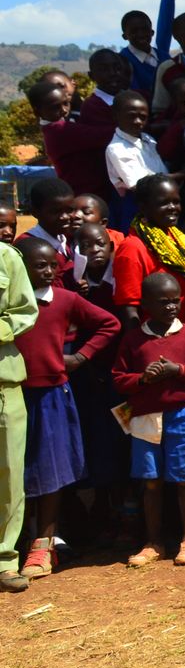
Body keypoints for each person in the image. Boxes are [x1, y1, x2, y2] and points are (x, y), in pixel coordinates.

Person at [13, 238, 119, 579]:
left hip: (51, 396)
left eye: (51, 266)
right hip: (15, 395)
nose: (46, 272)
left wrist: (80, 357)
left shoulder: (64, 300)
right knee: (17, 471)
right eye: (37, 265)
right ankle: (17, 544)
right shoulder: (11, 305)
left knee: (50, 471)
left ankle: (43, 545)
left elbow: (109, 324)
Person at [112, 272, 185, 567]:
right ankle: (153, 541)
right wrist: (142, 380)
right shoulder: (134, 339)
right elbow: (119, 379)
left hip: (182, 416)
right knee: (151, 482)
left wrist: (178, 370)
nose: (171, 307)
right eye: (163, 302)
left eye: (175, 301)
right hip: (145, 418)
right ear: (145, 304)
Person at [114, 176, 185, 354]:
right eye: (164, 203)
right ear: (143, 206)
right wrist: (143, 352)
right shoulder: (132, 248)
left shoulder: (178, 238)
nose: (173, 208)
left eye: (176, 202)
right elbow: (128, 309)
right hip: (158, 345)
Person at [0, 241, 38, 592]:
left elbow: (25, 311)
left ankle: (5, 560)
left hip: (4, 381)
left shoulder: (7, 257)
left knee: (9, 474)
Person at [17, 178, 80, 288]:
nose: (65, 217)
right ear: (35, 212)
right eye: (55, 211)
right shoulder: (25, 246)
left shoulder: (68, 240)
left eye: (69, 210)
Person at [79, 49, 132, 129]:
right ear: (91, 76)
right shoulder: (92, 106)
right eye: (104, 69)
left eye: (117, 68)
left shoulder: (134, 97)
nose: (112, 73)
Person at [119, 10, 158, 96]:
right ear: (125, 36)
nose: (141, 34)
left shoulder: (164, 56)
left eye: (145, 29)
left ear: (152, 32)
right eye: (134, 31)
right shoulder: (121, 61)